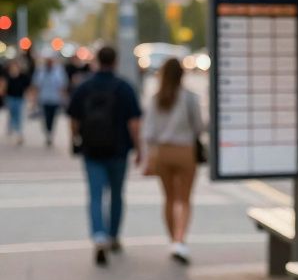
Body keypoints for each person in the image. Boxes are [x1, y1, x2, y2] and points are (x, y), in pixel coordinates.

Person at [68, 46, 143, 266]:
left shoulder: (84, 87)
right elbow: (134, 123)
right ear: (116, 61)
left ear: (96, 60)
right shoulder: (124, 88)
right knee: (117, 195)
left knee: (95, 195)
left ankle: (98, 235)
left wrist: (75, 140)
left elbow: (74, 119)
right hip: (119, 151)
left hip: (91, 150)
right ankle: (114, 236)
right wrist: (139, 148)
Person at [141, 57, 203, 265]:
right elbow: (198, 127)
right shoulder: (190, 98)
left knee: (168, 198)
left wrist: (149, 157)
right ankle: (180, 239)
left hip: (163, 153)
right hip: (185, 151)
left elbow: (149, 132)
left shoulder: (156, 99)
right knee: (184, 199)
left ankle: (172, 239)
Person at [32, 55, 69, 147]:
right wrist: (34, 99)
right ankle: (48, 133)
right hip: (44, 98)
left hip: (55, 99)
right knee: (45, 117)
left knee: (52, 117)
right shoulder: (40, 71)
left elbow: (63, 85)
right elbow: (36, 85)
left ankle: (50, 132)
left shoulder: (59, 71)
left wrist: (64, 98)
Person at [3, 59, 33, 144]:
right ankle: (11, 127)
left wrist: (31, 98)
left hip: (20, 98)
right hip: (10, 98)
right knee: (12, 114)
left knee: (19, 115)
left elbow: (28, 87)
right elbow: (4, 86)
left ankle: (19, 133)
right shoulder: (8, 76)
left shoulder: (23, 76)